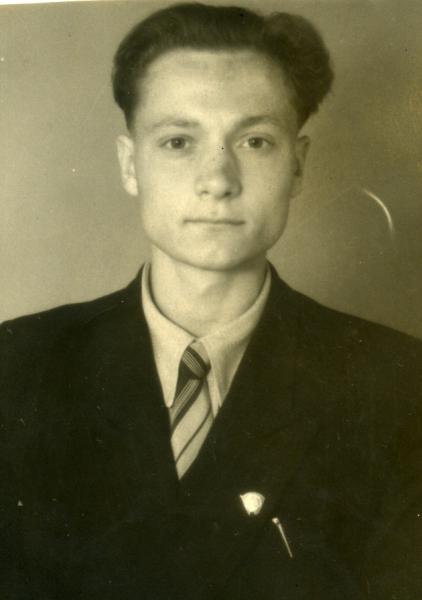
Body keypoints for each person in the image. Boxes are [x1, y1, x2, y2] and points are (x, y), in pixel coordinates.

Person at [1, 3, 421, 599]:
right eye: (178, 141)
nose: (218, 180)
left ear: (297, 165)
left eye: (255, 141)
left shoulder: (400, 385)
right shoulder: (17, 368)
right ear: (130, 164)